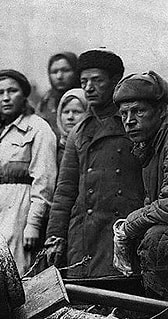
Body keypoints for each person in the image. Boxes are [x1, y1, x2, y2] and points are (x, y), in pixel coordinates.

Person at [45, 49, 144, 287]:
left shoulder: (131, 124)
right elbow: (65, 190)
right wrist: (55, 235)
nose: (89, 88)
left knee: (121, 298)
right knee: (84, 297)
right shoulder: (78, 131)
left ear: (115, 81)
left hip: (121, 227)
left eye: (97, 80)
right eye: (83, 82)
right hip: (84, 231)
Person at [0, 69, 57, 276]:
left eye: (12, 91)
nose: (5, 98)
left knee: (15, 269)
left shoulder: (38, 128)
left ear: (24, 95)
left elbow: (44, 180)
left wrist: (33, 223)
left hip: (18, 204)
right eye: (0, 92)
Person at [112, 72, 168, 297]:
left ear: (162, 111)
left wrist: (127, 227)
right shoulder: (150, 145)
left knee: (157, 238)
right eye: (124, 113)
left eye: (138, 111)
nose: (129, 120)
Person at [37, 52, 79, 137]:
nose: (59, 76)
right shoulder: (45, 103)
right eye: (54, 72)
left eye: (66, 70)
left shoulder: (86, 99)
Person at [56, 88, 88, 167]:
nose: (70, 117)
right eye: (66, 112)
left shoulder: (92, 147)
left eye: (77, 112)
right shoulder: (53, 146)